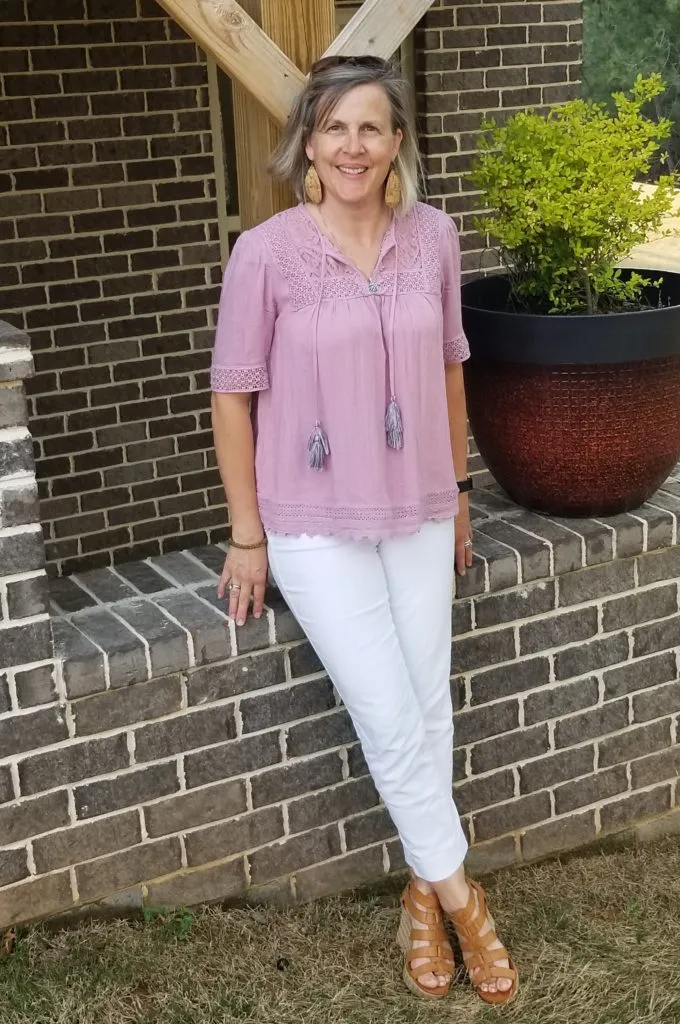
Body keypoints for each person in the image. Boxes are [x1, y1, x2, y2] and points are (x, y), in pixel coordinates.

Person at [209, 54, 518, 1005]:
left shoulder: (436, 237)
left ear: (397, 145)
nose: (353, 146)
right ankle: (468, 904)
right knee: (388, 714)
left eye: (372, 128)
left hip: (423, 506)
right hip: (313, 524)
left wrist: (460, 488)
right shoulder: (264, 253)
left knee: (429, 708)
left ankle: (419, 899)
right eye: (335, 126)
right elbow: (232, 395)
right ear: (309, 140)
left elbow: (453, 370)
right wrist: (247, 534)